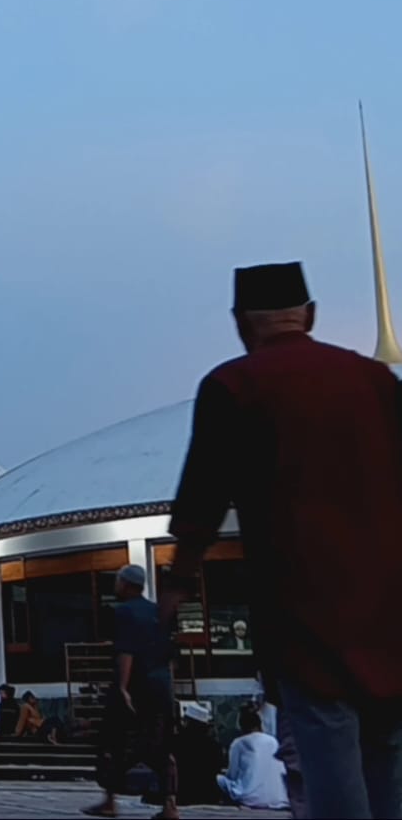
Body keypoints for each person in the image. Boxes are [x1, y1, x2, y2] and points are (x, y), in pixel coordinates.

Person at [163, 261, 402, 820]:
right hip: (389, 604)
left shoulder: (233, 385)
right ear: (311, 315)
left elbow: (202, 500)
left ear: (241, 322)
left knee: (329, 746)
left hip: (304, 607)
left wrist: (176, 585)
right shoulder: (376, 382)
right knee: (388, 748)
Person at [84, 564, 177, 819]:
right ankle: (170, 805)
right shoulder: (159, 612)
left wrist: (123, 688)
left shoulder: (124, 612)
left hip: (137, 684)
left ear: (125, 584)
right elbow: (169, 656)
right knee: (161, 743)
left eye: (117, 581)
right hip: (161, 685)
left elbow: (127, 651)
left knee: (113, 740)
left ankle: (110, 801)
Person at [218, 707, 289, 809]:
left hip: (250, 797)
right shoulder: (273, 741)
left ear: (242, 727)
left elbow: (232, 774)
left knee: (219, 779)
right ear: (260, 725)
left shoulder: (239, 742)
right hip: (279, 797)